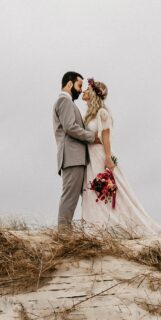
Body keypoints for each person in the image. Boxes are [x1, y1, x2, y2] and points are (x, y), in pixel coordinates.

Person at [80, 78, 161, 236]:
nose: (84, 91)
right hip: (90, 157)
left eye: (87, 89)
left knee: (109, 189)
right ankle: (98, 226)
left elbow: (106, 137)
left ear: (93, 93)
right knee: (94, 191)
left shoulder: (102, 113)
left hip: (100, 155)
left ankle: (126, 225)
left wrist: (107, 158)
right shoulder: (89, 115)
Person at [52, 71, 100, 230]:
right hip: (72, 157)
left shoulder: (67, 103)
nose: (81, 90)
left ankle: (66, 231)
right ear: (70, 84)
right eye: (79, 85)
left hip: (75, 157)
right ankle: (64, 233)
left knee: (74, 197)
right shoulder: (64, 101)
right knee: (69, 197)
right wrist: (92, 137)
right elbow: (70, 127)